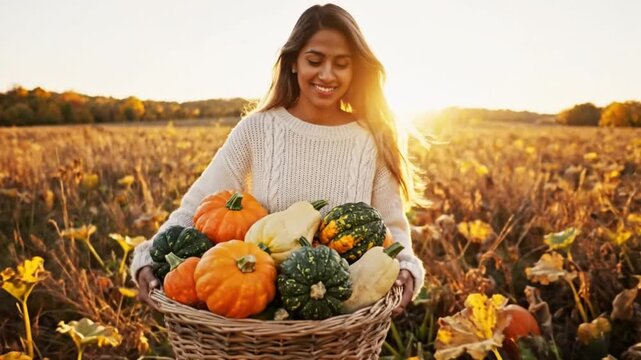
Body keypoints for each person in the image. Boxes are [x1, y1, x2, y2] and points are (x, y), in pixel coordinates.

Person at [131, 3, 426, 318]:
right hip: (258, 310)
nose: (327, 74)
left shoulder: (372, 138)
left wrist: (406, 266)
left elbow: (392, 226)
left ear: (356, 70)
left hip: (341, 322)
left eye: (341, 64)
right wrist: (151, 257)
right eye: (315, 60)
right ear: (294, 63)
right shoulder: (259, 129)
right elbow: (199, 206)